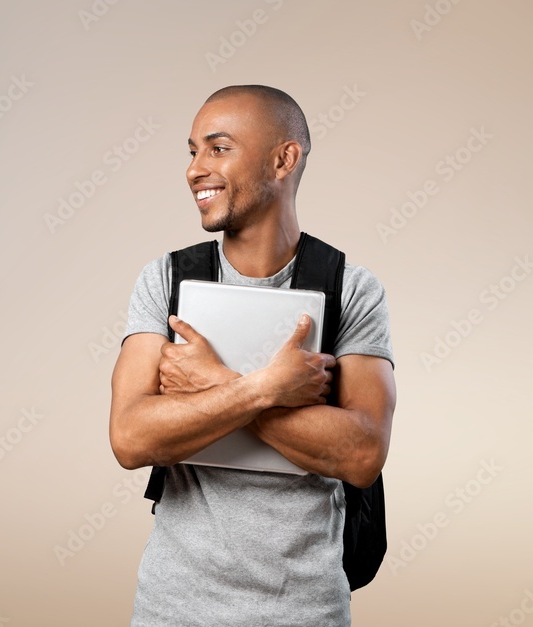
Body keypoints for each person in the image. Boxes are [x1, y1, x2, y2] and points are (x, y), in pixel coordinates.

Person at [108, 85, 396, 626]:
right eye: (192, 151)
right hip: (173, 609)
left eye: (217, 149)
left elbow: (361, 456)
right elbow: (130, 439)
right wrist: (265, 388)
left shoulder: (350, 291)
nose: (195, 169)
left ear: (284, 159)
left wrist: (213, 380)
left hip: (305, 611)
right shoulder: (164, 281)